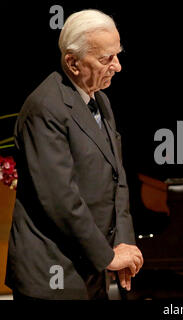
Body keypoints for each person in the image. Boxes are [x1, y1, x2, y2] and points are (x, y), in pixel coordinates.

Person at [5, 9, 143, 300]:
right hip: (53, 274)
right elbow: (60, 199)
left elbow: (118, 177)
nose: (117, 66)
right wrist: (107, 256)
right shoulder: (45, 107)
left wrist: (125, 244)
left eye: (117, 55)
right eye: (106, 58)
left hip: (91, 270)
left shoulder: (101, 102)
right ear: (73, 62)